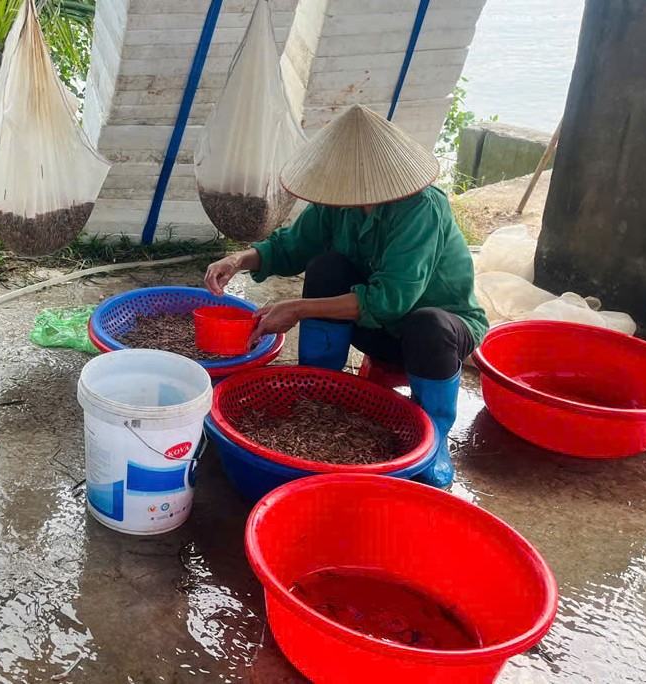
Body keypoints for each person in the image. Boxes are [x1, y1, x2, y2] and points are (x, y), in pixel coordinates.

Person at [204, 105, 487, 488]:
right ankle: (319, 393)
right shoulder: (338, 205)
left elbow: (391, 300)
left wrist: (297, 309)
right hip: (377, 329)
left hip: (436, 338)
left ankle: (434, 438)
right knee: (327, 267)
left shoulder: (423, 209)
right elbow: (292, 246)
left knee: (429, 324)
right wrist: (240, 259)